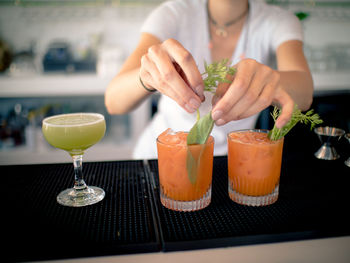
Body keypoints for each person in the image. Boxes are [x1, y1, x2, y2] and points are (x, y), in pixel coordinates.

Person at [105, 0, 313, 159]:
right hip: (159, 157)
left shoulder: (277, 20)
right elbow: (114, 101)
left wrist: (272, 80)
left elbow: (304, 93)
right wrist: (146, 77)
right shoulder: (174, 13)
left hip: (231, 162)